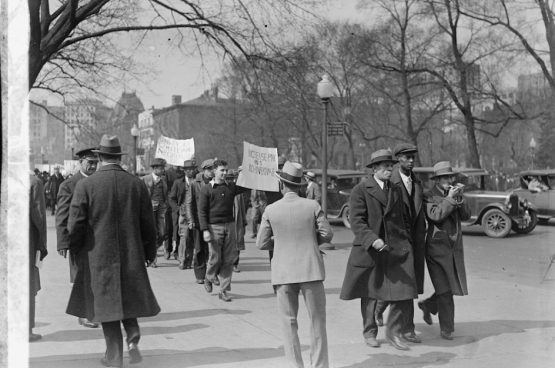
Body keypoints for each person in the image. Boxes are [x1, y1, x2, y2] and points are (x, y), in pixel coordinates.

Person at [67, 135, 160, 367]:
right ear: (118, 157)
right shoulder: (136, 184)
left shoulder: (86, 185)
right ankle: (133, 335)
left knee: (105, 305)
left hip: (97, 256)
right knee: (126, 297)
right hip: (131, 254)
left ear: (99, 157)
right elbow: (149, 226)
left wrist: (76, 250)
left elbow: (75, 225)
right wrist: (149, 254)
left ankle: (114, 356)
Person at [257, 161, 333, 368]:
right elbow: (327, 233)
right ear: (300, 186)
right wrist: (310, 240)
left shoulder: (271, 210)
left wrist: (280, 240)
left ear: (282, 185)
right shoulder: (312, 206)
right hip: (311, 270)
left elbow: (261, 243)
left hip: (283, 272)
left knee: (288, 323)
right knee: (317, 322)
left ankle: (294, 365)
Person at [340, 149, 417, 351]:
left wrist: (406, 239)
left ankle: (394, 332)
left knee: (404, 289)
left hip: (395, 250)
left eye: (391, 166)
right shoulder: (361, 189)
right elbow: (356, 221)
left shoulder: (396, 189)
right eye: (385, 167)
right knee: (370, 293)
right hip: (371, 250)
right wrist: (372, 239)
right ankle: (370, 332)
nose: (389, 170)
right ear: (374, 169)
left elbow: (404, 217)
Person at [374, 144, 426, 344]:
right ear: (398, 160)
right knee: (401, 286)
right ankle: (381, 308)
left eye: (413, 157)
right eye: (406, 158)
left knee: (408, 286)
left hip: (413, 243)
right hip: (393, 243)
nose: (411, 161)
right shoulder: (390, 181)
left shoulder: (417, 183)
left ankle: (408, 328)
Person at [418, 161, 471, 340]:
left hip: (453, 249)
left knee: (448, 287)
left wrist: (459, 198)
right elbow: (435, 215)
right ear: (437, 180)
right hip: (435, 250)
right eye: (445, 178)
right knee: (445, 290)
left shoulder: (455, 193)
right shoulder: (428, 195)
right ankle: (446, 329)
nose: (449, 180)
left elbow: (466, 216)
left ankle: (428, 305)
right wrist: (450, 199)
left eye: (451, 177)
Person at [55, 147, 99, 328]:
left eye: (96, 163)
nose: (93, 166)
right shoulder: (69, 185)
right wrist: (63, 242)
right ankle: (84, 314)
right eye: (90, 163)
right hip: (78, 240)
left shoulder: (99, 181)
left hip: (98, 239)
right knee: (81, 277)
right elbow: (62, 215)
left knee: (96, 277)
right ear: (80, 163)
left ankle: (94, 311)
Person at [198, 159, 249, 302]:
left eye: (226, 170)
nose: (225, 173)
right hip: (214, 227)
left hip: (230, 226)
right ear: (214, 171)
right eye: (222, 170)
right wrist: (205, 230)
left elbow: (246, 186)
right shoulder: (206, 189)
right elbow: (202, 212)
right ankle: (209, 277)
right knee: (215, 258)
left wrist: (245, 172)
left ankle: (224, 290)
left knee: (228, 260)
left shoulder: (231, 187)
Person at [186, 159, 215, 284]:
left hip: (213, 220)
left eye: (213, 169)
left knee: (213, 249)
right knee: (199, 249)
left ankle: (212, 274)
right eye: (209, 169)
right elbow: (189, 203)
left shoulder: (217, 183)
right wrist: (190, 220)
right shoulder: (194, 183)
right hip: (198, 220)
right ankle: (200, 274)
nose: (211, 172)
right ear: (204, 170)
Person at [29, 165, 48, 342]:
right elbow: (39, 217)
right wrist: (42, 246)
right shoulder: (34, 182)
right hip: (25, 245)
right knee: (28, 286)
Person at [141, 158, 169, 267]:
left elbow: (165, 193)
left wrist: (165, 204)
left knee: (162, 233)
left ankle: (150, 250)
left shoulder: (163, 180)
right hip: (150, 208)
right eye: (161, 168)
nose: (163, 170)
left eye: (163, 168)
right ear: (155, 169)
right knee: (151, 233)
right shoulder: (145, 179)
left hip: (161, 207)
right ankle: (152, 258)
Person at [170, 160, 196, 269]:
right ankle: (182, 259)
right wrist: (177, 209)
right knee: (184, 236)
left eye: (192, 169)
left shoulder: (197, 182)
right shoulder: (178, 183)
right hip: (183, 214)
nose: (191, 171)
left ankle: (189, 261)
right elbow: (171, 198)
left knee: (193, 238)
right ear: (184, 171)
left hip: (194, 214)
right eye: (188, 169)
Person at [233, 171, 248, 273]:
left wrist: (244, 222)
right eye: (228, 179)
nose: (230, 181)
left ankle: (235, 264)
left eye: (232, 179)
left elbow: (242, 208)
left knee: (237, 243)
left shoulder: (238, 193)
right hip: (226, 221)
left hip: (237, 221)